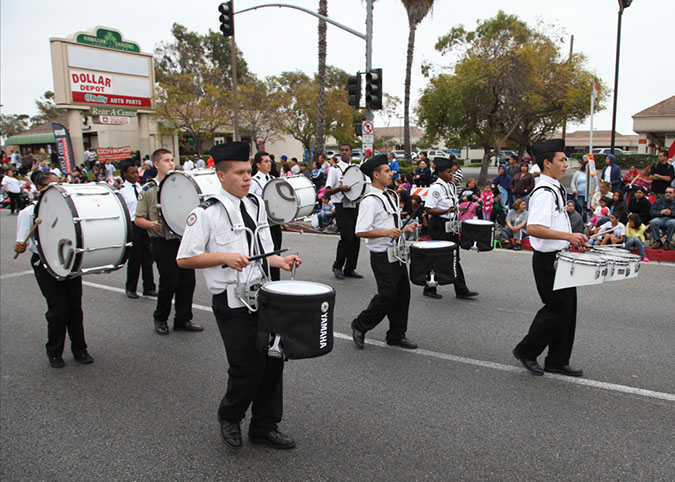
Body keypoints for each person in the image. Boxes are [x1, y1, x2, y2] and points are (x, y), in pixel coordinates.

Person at [176, 141, 301, 450]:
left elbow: (256, 252)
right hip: (231, 301)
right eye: (240, 173)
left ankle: (264, 426)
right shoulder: (205, 213)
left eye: (248, 172)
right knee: (246, 367)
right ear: (220, 175)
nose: (247, 178)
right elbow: (184, 259)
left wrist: (278, 261)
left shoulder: (256, 204)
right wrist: (223, 257)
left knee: (273, 360)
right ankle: (230, 416)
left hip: (263, 295)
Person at [513, 139, 589, 378]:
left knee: (568, 311)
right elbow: (534, 228)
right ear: (547, 163)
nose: (566, 164)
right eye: (562, 159)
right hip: (548, 260)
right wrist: (568, 235)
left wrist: (572, 240)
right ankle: (526, 350)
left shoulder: (555, 186)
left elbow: (556, 223)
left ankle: (557, 360)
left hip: (561, 255)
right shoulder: (544, 192)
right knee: (556, 309)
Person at [14, 170, 93, 368]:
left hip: (68, 262)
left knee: (75, 307)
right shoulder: (28, 213)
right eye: (53, 184)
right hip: (44, 264)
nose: (59, 187)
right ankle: (54, 352)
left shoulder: (67, 210)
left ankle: (80, 349)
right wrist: (19, 246)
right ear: (40, 188)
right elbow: (21, 242)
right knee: (58, 308)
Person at [350, 154, 419, 350]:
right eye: (387, 171)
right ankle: (360, 324)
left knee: (403, 295)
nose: (391, 174)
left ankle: (396, 335)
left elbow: (391, 224)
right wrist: (387, 232)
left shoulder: (389, 195)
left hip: (397, 253)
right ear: (375, 175)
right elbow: (361, 231)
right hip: (381, 255)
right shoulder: (370, 200)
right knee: (387, 296)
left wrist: (404, 228)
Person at [135, 148, 203, 335]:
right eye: (166, 160)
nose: (171, 163)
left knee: (188, 282)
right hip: (162, 241)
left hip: (182, 239)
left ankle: (183, 319)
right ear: (156, 164)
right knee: (170, 281)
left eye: (172, 160)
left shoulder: (181, 185)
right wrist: (152, 224)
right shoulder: (149, 189)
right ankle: (160, 318)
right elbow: (138, 218)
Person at [423, 157, 478, 300]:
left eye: (452, 172)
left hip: (451, 225)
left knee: (454, 257)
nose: (451, 175)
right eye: (448, 172)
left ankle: (461, 289)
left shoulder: (451, 186)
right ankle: (429, 287)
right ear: (440, 173)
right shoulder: (436, 188)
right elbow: (429, 209)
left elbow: (452, 205)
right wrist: (448, 210)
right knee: (437, 257)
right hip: (439, 225)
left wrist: (460, 208)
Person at [118, 159, 156, 299]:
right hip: (133, 226)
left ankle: (149, 287)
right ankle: (131, 288)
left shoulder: (141, 188)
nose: (135, 175)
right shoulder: (122, 191)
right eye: (131, 173)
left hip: (145, 224)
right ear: (125, 174)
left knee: (148, 258)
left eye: (136, 172)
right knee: (134, 259)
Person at [324, 143, 363, 280]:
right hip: (341, 205)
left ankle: (350, 268)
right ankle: (337, 266)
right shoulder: (335, 170)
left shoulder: (355, 169)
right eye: (342, 150)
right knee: (347, 238)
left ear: (351, 152)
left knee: (356, 238)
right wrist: (340, 189)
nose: (344, 152)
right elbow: (327, 191)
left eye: (347, 150)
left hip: (354, 204)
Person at [249, 151, 283, 281]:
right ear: (258, 165)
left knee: (277, 252)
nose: (270, 163)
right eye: (266, 161)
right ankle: (265, 280)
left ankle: (276, 281)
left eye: (270, 161)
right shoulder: (254, 182)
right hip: (263, 224)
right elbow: (250, 202)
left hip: (275, 222)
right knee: (266, 253)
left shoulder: (273, 180)